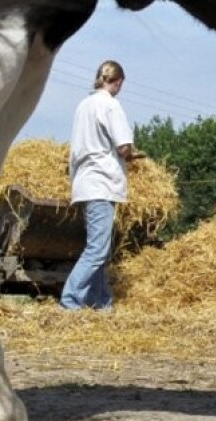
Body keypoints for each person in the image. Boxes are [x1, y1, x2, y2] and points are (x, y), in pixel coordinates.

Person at [60, 60, 142, 311]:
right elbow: (123, 146)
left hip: (83, 182)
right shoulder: (110, 105)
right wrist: (131, 156)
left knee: (99, 249)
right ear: (117, 82)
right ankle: (69, 301)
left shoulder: (83, 105)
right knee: (97, 249)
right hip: (101, 182)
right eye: (120, 85)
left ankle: (101, 302)